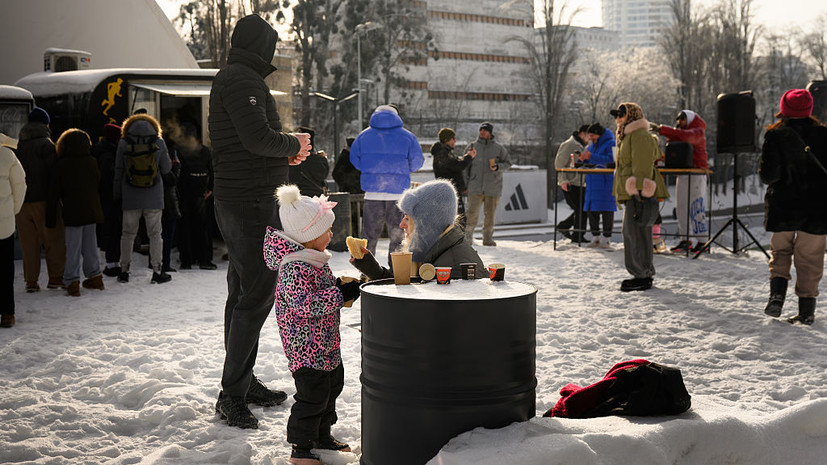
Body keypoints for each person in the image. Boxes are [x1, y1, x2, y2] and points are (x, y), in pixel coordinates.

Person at [209, 13, 311, 429]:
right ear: (261, 47)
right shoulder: (244, 80)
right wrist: (294, 143)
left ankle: (242, 381)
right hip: (250, 203)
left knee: (242, 295)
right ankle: (231, 394)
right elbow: (256, 139)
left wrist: (281, 152)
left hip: (242, 198)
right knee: (254, 297)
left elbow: (247, 141)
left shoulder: (235, 76)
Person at [263, 184, 359, 465]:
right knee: (312, 396)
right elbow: (304, 304)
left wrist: (338, 286)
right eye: (327, 230)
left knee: (331, 388)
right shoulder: (295, 266)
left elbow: (319, 293)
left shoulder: (312, 260)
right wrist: (339, 295)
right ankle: (300, 446)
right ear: (309, 236)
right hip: (305, 347)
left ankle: (322, 434)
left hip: (325, 343)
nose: (331, 234)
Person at [759, 89, 827, 325]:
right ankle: (806, 311)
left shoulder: (775, 135)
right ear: (809, 109)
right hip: (817, 209)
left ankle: (777, 296)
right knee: (810, 259)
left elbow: (769, 175)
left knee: (780, 252)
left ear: (784, 108)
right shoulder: (824, 134)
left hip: (784, 207)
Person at [350, 179, 485, 281]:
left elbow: (419, 310)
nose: (401, 225)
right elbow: (410, 290)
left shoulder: (455, 268)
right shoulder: (434, 251)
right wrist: (374, 270)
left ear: (427, 224)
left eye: (408, 219)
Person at [350, 105, 424, 265]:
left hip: (372, 193)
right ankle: (396, 269)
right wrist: (403, 169)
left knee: (369, 235)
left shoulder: (363, 136)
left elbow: (354, 159)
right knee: (398, 234)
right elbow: (418, 162)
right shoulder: (407, 137)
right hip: (398, 193)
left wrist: (370, 170)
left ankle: (366, 268)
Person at [611, 103, 669, 292]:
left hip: (639, 193)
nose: (618, 118)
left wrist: (639, 192)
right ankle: (642, 273)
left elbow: (642, 166)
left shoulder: (639, 136)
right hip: (635, 193)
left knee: (636, 233)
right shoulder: (630, 135)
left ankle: (642, 274)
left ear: (632, 116)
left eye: (621, 114)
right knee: (634, 233)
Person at [113, 112, 172, 285]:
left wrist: (117, 194)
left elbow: (119, 170)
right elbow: (166, 168)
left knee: (127, 234)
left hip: (130, 196)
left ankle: (124, 271)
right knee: (155, 235)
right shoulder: (158, 142)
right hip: (154, 197)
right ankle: (157, 271)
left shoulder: (124, 143)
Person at [46, 129, 105, 296]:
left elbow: (54, 192)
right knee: (90, 246)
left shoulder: (62, 164)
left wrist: (50, 218)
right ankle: (95, 277)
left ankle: (72, 281)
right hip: (92, 210)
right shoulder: (92, 161)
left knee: (73, 247)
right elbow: (98, 183)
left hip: (72, 211)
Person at [14, 107, 65, 292]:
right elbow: (55, 175)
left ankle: (31, 282)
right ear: (46, 124)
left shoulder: (19, 145)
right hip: (43, 201)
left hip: (21, 204)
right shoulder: (47, 145)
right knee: (54, 240)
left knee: (29, 245)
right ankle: (56, 279)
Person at [651, 109, 709, 253]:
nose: (679, 122)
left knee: (696, 206)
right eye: (678, 120)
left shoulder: (697, 131)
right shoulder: (680, 132)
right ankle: (685, 239)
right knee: (682, 207)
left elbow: (687, 137)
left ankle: (702, 241)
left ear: (688, 119)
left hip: (696, 173)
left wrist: (662, 129)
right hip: (682, 174)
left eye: (682, 119)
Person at [464, 122, 511, 247]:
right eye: (481, 130)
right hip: (475, 186)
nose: (482, 132)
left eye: (485, 130)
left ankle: (488, 238)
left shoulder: (499, 148)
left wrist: (498, 167)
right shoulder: (472, 147)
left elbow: (508, 163)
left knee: (490, 215)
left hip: (493, 186)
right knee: (471, 213)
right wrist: (465, 184)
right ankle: (468, 238)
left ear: (490, 133)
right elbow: (465, 166)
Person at [176, 122, 216, 270]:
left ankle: (186, 260)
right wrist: (210, 188)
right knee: (203, 228)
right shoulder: (204, 151)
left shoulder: (179, 151)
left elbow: (176, 172)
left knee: (185, 227)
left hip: (184, 194)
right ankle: (204, 259)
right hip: (202, 194)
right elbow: (212, 171)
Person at [0, 137, 26, 328]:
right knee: (5, 269)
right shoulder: (8, 155)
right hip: (4, 225)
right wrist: (12, 211)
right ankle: (8, 313)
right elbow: (20, 186)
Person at [579, 122, 617, 249]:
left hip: (605, 182)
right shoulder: (591, 146)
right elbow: (590, 158)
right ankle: (595, 236)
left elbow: (612, 160)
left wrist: (592, 156)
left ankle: (606, 238)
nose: (590, 138)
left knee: (606, 210)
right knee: (591, 210)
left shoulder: (611, 143)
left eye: (592, 135)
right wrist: (582, 159)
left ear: (599, 134)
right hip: (592, 181)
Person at [93, 123, 123, 277]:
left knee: (110, 231)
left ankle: (113, 263)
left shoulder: (102, 151)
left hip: (104, 198)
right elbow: (109, 178)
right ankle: (112, 264)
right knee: (113, 231)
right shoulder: (109, 155)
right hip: (110, 198)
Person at [431, 127, 476, 230]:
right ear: (447, 140)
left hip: (451, 191)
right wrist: (468, 157)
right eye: (453, 138)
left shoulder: (445, 152)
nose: (455, 141)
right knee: (457, 220)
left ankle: (456, 242)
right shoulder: (442, 153)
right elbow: (457, 166)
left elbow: (454, 165)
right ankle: (455, 243)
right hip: (449, 192)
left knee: (458, 219)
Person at [555, 124, 590, 242]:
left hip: (580, 182)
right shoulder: (569, 145)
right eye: (588, 136)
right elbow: (559, 164)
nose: (589, 138)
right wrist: (563, 180)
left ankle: (566, 227)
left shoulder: (583, 146)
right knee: (580, 208)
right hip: (570, 183)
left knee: (582, 208)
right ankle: (577, 235)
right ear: (582, 134)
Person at [289, 126, 330, 197]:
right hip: (313, 196)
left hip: (293, 196)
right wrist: (323, 159)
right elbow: (322, 174)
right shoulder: (315, 158)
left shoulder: (289, 157)